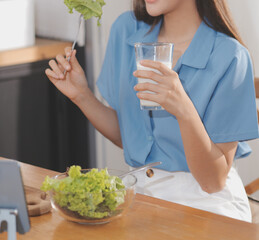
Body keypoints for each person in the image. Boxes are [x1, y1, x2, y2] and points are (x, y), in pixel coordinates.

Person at [45, 0, 259, 222]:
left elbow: (213, 182)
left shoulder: (230, 56)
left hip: (207, 205)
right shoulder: (126, 30)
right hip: (140, 199)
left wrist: (184, 110)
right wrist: (82, 96)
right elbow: (129, 136)